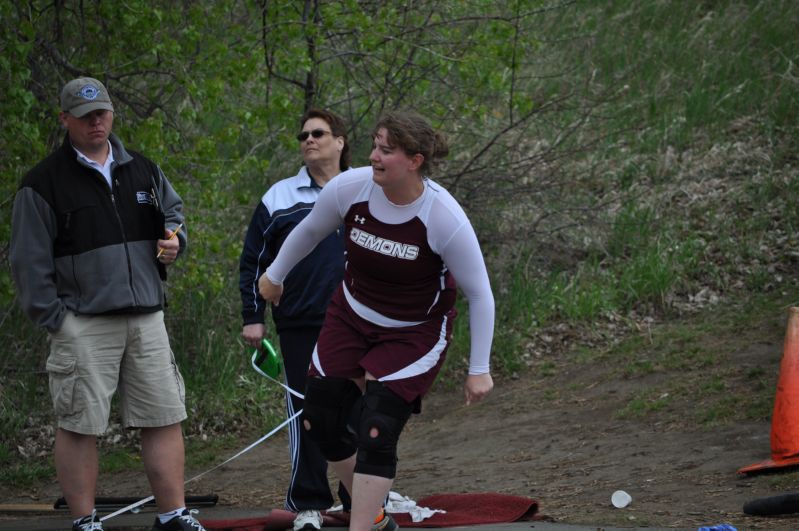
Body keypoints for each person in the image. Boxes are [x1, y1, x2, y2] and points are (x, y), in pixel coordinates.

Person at [258, 110, 495, 531]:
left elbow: (480, 294)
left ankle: (362, 523)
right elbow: (310, 232)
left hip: (414, 333)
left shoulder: (443, 216)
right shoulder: (350, 189)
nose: (374, 156)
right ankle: (377, 512)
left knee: (376, 428)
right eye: (375, 145)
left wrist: (479, 369)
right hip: (350, 316)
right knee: (319, 418)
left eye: (387, 150)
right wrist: (275, 275)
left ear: (415, 160)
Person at [9, 77, 205, 531]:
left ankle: (173, 514)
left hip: (146, 316)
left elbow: (174, 219)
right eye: (84, 115)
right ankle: (84, 521)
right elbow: (27, 261)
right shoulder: (42, 183)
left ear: (112, 113)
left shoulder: (144, 170)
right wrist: (58, 321)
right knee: (80, 424)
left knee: (164, 415)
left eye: (102, 112)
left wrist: (175, 243)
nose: (96, 121)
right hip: (83, 322)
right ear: (65, 120)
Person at [239, 108, 352, 531]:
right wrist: (254, 316)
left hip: (361, 325)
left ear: (340, 141)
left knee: (359, 413)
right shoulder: (280, 197)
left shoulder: (366, 189)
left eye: (318, 133)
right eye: (303, 134)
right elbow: (253, 262)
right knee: (307, 413)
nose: (308, 140)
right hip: (301, 323)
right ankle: (307, 502)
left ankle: (360, 499)